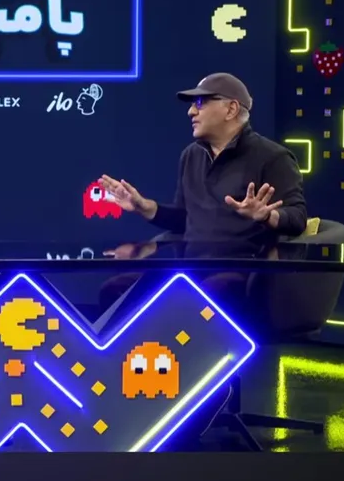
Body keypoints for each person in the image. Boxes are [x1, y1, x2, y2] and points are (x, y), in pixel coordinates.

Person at [96, 73, 309, 313]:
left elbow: (298, 218)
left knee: (202, 297)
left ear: (231, 109)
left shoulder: (273, 158)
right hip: (190, 268)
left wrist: (267, 216)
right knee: (116, 289)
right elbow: (184, 219)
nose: (191, 112)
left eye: (200, 103)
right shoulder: (191, 155)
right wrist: (146, 208)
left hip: (242, 273)